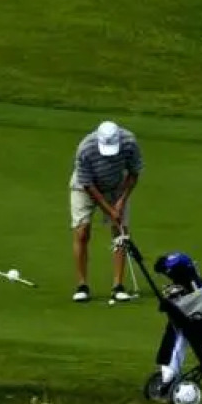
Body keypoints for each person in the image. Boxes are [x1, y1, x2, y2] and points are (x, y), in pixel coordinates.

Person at [70, 120, 143, 303]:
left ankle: (118, 286)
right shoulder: (86, 148)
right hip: (85, 187)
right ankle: (82, 286)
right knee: (82, 231)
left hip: (116, 186)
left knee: (120, 233)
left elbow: (134, 173)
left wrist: (121, 201)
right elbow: (87, 185)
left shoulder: (129, 142)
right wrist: (109, 209)